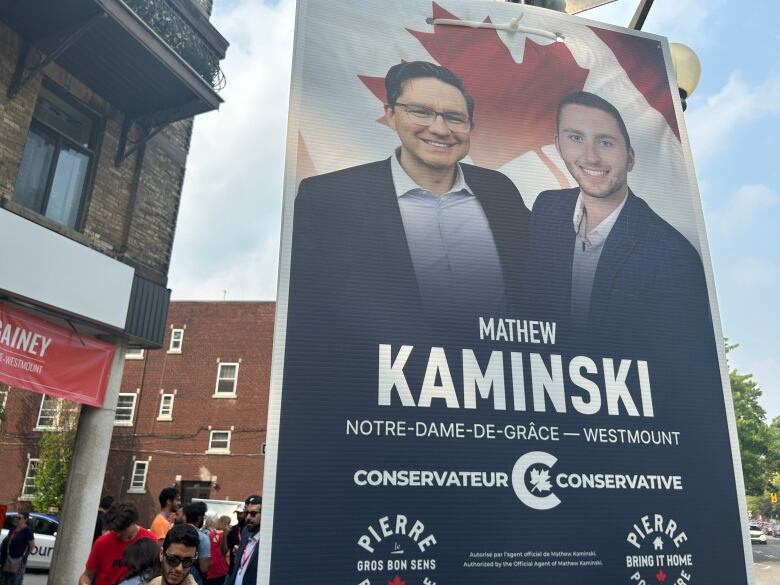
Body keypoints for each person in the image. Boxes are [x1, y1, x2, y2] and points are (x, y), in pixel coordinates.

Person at [289, 60, 530, 329]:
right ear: (391, 115)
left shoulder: (500, 191)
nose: (440, 129)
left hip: (496, 368)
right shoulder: (327, 198)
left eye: (454, 117)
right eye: (420, 112)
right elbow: (308, 311)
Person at [526, 90, 713, 353]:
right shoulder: (547, 208)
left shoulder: (672, 256)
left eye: (606, 142)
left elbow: (681, 366)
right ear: (558, 145)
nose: (590, 157)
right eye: (576, 138)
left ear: (630, 158)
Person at [79, 502, 156, 585]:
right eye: (115, 530)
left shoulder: (150, 540)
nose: (118, 534)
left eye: (122, 530)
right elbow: (87, 575)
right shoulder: (102, 543)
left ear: (133, 522)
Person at [225, 496, 261, 585]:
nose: (248, 517)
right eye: (246, 513)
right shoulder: (245, 532)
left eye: (253, 514)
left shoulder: (268, 542)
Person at [0, 512, 34, 585]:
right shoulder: (13, 528)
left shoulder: (27, 531)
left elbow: (31, 546)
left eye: (19, 518)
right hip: (6, 559)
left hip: (17, 560)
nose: (16, 519)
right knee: (3, 580)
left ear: (25, 519)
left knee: (14, 580)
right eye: (16, 517)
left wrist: (24, 556)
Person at [183, 502, 210, 585]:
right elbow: (204, 568)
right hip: (193, 578)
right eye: (203, 517)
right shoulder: (203, 538)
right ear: (199, 518)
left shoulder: (174, 531)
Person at [204, 513, 229, 585]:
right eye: (217, 520)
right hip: (216, 569)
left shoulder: (207, 532)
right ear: (212, 522)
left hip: (211, 569)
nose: (219, 521)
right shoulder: (211, 534)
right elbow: (225, 552)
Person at [225, 505, 244, 573]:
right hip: (233, 569)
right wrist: (225, 535)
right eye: (237, 513)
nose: (238, 516)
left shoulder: (250, 530)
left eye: (240, 513)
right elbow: (225, 550)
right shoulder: (233, 529)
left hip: (244, 568)